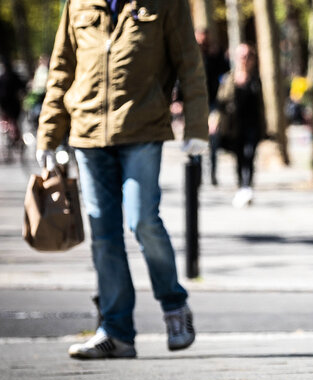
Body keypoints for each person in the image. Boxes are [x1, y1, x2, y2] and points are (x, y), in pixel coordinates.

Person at [36, 0, 208, 359]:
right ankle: (116, 332)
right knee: (104, 233)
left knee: (142, 219)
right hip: (87, 134)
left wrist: (196, 127)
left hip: (143, 129)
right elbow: (61, 66)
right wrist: (48, 132)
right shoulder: (78, 3)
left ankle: (175, 307)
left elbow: (189, 63)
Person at [214, 43, 265, 208]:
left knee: (249, 154)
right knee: (239, 156)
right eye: (242, 56)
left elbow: (262, 105)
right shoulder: (228, 78)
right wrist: (215, 120)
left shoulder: (257, 79)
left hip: (253, 124)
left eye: (248, 56)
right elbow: (220, 102)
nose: (245, 60)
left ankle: (247, 186)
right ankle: (241, 186)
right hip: (234, 125)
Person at [196, 28, 230, 186]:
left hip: (214, 103)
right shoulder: (192, 55)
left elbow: (226, 74)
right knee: (196, 139)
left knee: (213, 139)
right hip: (196, 103)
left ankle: (213, 174)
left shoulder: (216, 55)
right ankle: (196, 174)